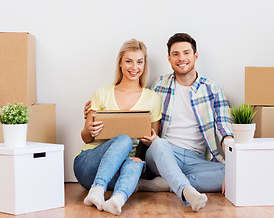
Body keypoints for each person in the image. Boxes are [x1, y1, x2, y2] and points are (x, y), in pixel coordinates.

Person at [83, 33, 233, 212]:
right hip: (163, 152)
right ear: (169, 59)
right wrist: (92, 112)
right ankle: (186, 191)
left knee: (233, 172)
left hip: (196, 159)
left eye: (186, 53)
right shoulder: (159, 86)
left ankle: (161, 184)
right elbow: (137, 107)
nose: (181, 58)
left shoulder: (213, 89)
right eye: (175, 54)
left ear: (195, 56)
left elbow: (225, 130)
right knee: (160, 143)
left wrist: (234, 162)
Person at [74, 39, 164, 216]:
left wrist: (151, 141)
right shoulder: (102, 93)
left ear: (144, 65)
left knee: (135, 164)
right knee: (123, 139)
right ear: (120, 63)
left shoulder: (153, 98)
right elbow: (85, 137)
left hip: (120, 171)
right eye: (129, 61)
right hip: (89, 165)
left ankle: (117, 200)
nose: (134, 67)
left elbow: (152, 138)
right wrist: (89, 131)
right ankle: (97, 190)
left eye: (139, 62)